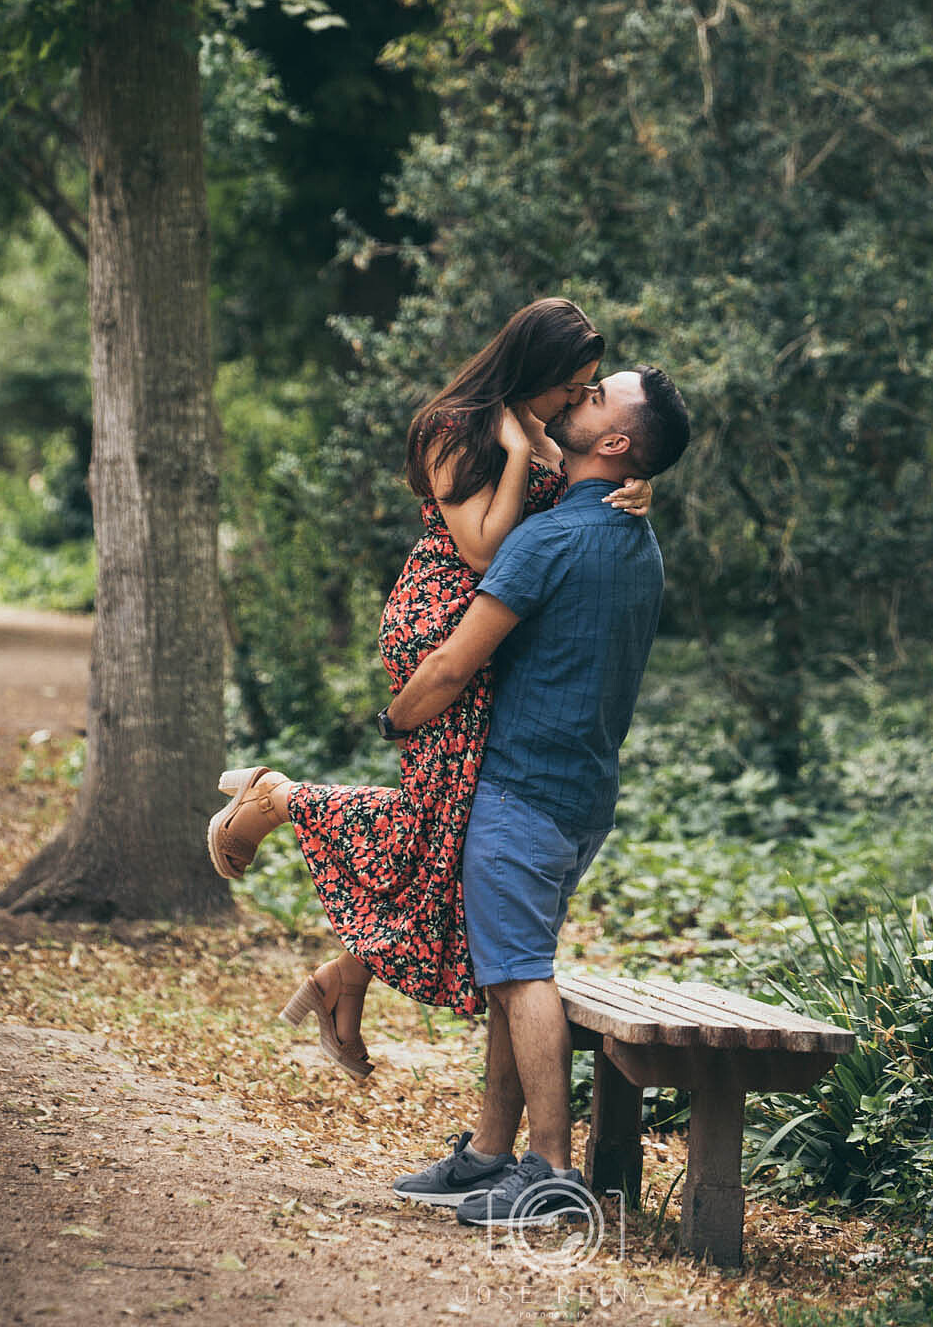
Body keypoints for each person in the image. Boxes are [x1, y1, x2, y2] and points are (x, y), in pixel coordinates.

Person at [204, 299, 652, 1077]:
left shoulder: (547, 430)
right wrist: (516, 456)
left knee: (448, 827)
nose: (577, 402)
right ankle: (277, 799)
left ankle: (346, 978)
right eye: (572, 388)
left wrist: (639, 488)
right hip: (441, 622)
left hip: (491, 633)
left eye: (588, 392)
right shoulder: (457, 427)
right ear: (535, 374)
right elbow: (481, 551)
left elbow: (591, 493)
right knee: (433, 818)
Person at [385, 365, 690, 1224]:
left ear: (618, 444)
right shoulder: (637, 537)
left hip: (522, 788)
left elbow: (453, 662)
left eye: (595, 399)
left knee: (521, 978)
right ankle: (491, 1153)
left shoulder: (548, 540)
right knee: (508, 970)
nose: (573, 401)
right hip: (582, 794)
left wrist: (396, 720)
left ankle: (552, 1172)